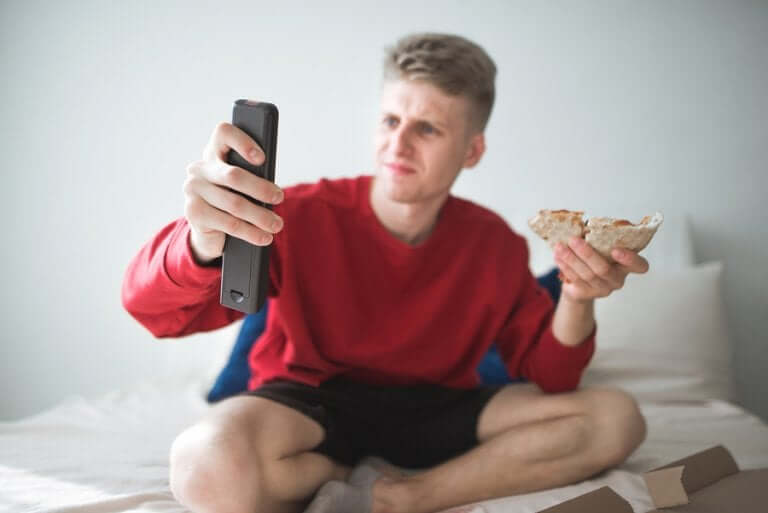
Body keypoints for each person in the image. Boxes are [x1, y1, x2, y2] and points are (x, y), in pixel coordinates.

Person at [122, 33, 648, 513]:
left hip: (439, 407)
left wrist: (578, 298)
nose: (399, 144)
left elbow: (552, 378)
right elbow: (154, 313)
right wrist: (199, 241)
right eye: (391, 121)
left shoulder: (495, 245)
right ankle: (341, 473)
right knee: (200, 465)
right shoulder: (297, 216)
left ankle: (404, 497)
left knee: (616, 418)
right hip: (310, 401)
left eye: (428, 128)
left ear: (473, 150)